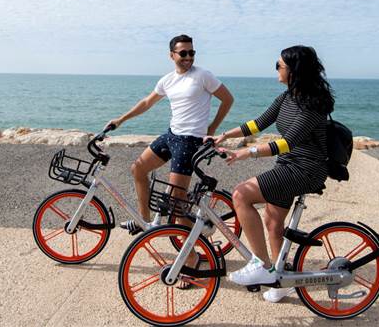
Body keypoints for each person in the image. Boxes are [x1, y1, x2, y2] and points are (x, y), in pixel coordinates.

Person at [211, 45, 335, 303]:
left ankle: (261, 265)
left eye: (279, 65)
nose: (275, 69)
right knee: (273, 224)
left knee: (241, 195)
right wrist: (224, 134)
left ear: (294, 70)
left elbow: (287, 142)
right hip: (288, 166)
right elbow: (257, 124)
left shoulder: (313, 105)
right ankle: (279, 282)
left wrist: (247, 153)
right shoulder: (287, 97)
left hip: (306, 169)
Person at [107, 33, 234, 242]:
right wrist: (121, 119)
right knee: (138, 168)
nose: (188, 57)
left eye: (191, 52)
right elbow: (147, 102)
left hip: (191, 140)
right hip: (171, 135)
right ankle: (144, 221)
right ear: (171, 55)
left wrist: (211, 128)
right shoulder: (168, 80)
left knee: (177, 205)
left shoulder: (203, 75)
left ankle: (192, 258)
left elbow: (228, 99)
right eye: (183, 53)